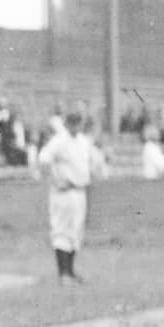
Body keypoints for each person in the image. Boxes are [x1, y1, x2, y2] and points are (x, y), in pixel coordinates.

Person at [35, 110, 107, 286]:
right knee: (61, 230)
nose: (75, 126)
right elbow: (44, 159)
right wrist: (54, 179)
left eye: (78, 122)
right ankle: (63, 273)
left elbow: (94, 162)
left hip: (80, 191)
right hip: (63, 191)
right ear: (66, 123)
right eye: (72, 122)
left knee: (75, 231)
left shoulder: (83, 142)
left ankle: (71, 271)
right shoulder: (59, 141)